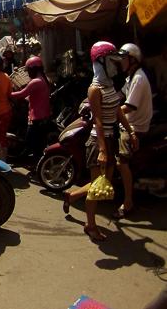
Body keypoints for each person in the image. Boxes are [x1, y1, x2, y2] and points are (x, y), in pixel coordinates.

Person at [62, 41, 137, 242]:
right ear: (102, 62)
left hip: (111, 138)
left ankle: (72, 195)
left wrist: (131, 131)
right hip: (98, 142)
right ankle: (90, 225)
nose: (116, 64)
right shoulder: (94, 89)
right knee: (97, 188)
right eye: (112, 59)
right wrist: (103, 150)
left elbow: (118, 112)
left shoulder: (110, 85)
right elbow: (97, 119)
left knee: (103, 184)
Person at [114, 43, 152, 219]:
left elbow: (128, 107)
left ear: (133, 60)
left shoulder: (139, 78)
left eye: (124, 58)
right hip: (129, 123)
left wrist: (107, 111)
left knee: (121, 162)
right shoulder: (130, 77)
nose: (121, 62)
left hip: (135, 127)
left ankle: (128, 201)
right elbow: (120, 95)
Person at [9, 56, 51, 161]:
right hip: (44, 116)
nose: (28, 73)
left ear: (33, 69)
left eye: (29, 70)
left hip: (37, 117)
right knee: (39, 143)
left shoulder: (35, 81)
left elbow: (21, 94)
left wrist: (7, 94)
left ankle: (33, 162)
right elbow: (36, 96)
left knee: (30, 141)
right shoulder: (44, 79)